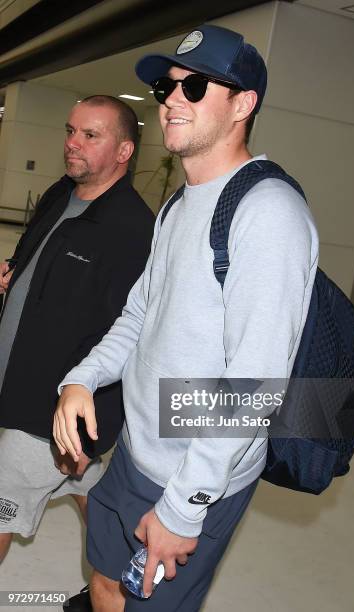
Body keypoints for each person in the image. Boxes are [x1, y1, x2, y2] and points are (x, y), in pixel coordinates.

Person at [54, 25, 319, 612]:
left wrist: (183, 507)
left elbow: (254, 384)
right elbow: (141, 312)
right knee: (101, 582)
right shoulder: (180, 202)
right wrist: (85, 376)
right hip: (134, 450)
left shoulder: (269, 214)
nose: (173, 98)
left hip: (192, 476)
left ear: (244, 104)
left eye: (195, 86)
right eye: (167, 87)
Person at [0, 95, 154, 568]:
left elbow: (126, 336)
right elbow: (37, 267)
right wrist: (12, 272)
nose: (73, 144)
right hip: (15, 384)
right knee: (95, 501)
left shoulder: (133, 229)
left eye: (91, 135)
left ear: (124, 152)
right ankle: (117, 581)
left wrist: (89, 435)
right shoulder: (58, 195)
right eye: (71, 131)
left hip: (53, 412)